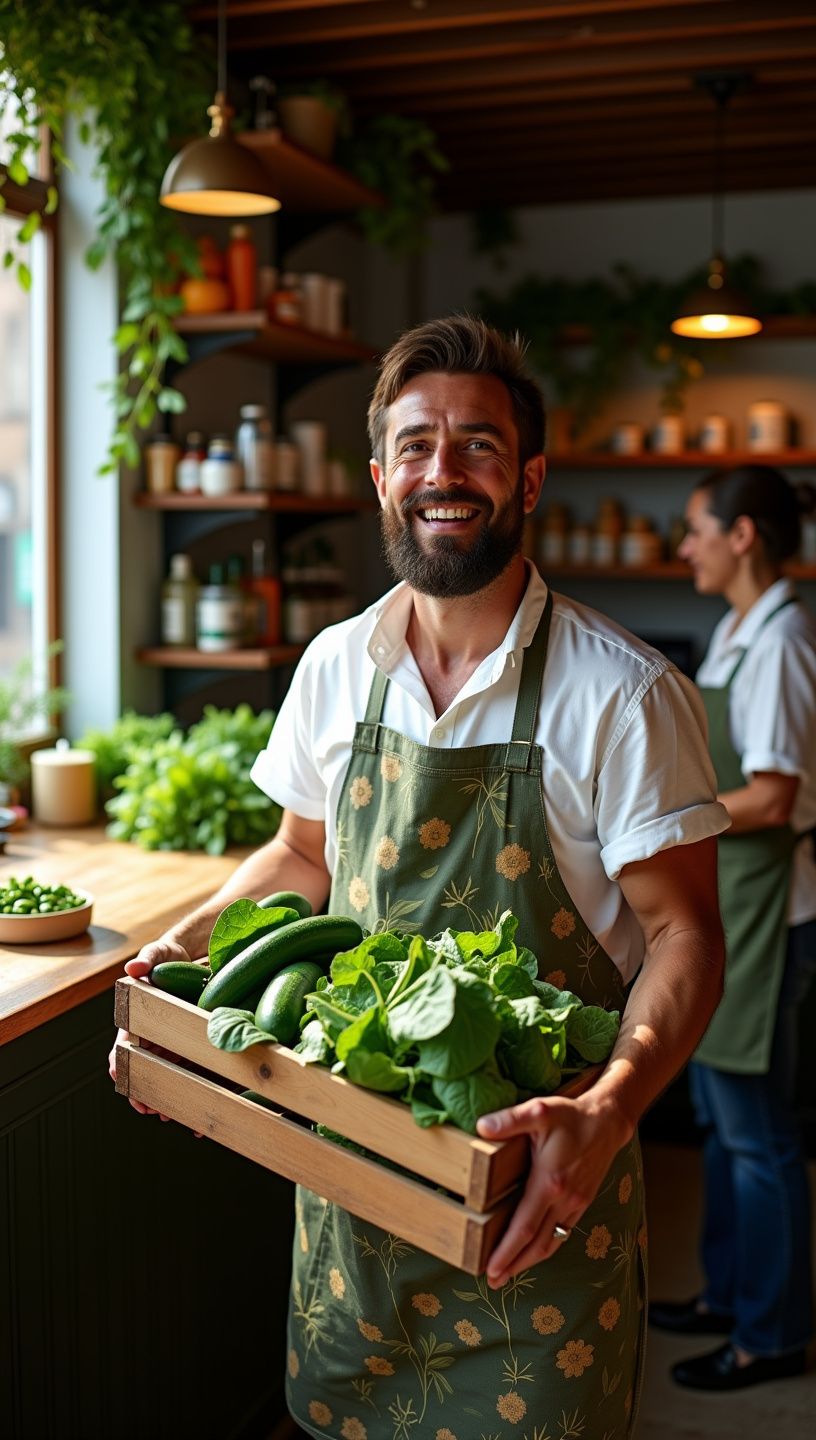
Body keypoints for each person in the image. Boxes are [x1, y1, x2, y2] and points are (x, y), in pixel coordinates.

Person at [111, 316, 729, 1439]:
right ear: (380, 478)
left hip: (542, 1207)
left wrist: (607, 1108)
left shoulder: (626, 696)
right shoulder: (338, 665)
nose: (443, 471)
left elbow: (684, 937)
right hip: (349, 1198)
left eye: (479, 446)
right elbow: (304, 854)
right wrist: (194, 955)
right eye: (415, 445)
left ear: (530, 477)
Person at [650, 464, 816, 1391]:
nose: (686, 547)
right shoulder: (738, 634)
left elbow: (776, 795)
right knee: (721, 1120)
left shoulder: (786, 640)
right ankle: (728, 1295)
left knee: (760, 1133)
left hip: (766, 912)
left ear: (743, 535)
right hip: (729, 901)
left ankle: (773, 1333)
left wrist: (671, 807)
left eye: (697, 529)